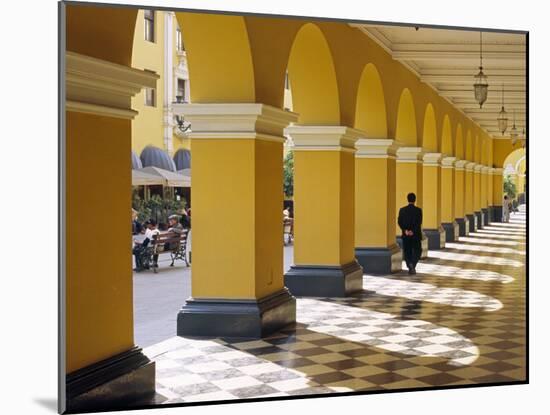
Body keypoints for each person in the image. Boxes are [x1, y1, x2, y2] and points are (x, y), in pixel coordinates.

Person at [398, 192, 423, 275]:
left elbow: (399, 222)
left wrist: (405, 230)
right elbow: (419, 222)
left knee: (407, 251)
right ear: (415, 200)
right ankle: (413, 264)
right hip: (415, 235)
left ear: (407, 199)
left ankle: (409, 265)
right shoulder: (418, 210)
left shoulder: (402, 210)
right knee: (418, 250)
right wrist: (413, 231)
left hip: (406, 235)